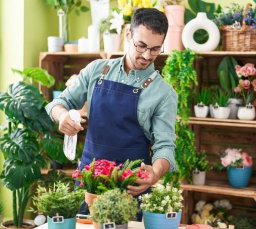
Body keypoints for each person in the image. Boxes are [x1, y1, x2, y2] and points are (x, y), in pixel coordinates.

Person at [45, 8, 177, 202]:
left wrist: (155, 172)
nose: (148, 56)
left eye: (156, 49)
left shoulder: (164, 94)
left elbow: (165, 146)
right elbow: (58, 103)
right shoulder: (97, 70)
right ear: (128, 35)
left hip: (131, 188)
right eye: (141, 46)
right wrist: (62, 116)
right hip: (89, 184)